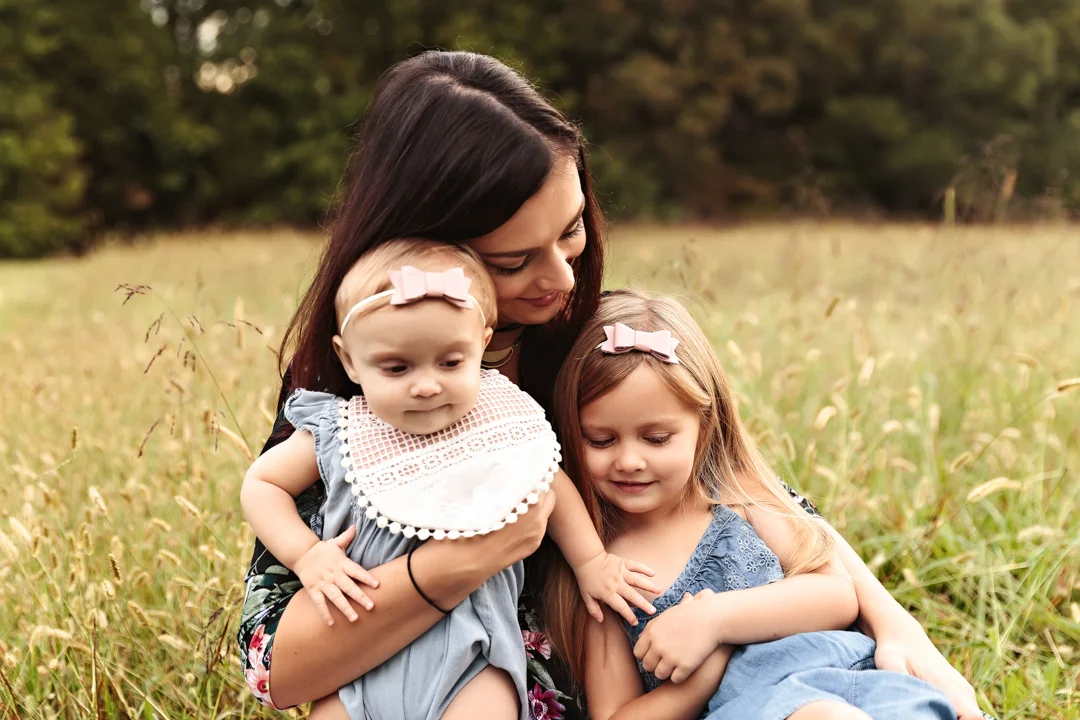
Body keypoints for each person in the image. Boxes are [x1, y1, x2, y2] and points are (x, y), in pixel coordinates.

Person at [237, 50, 987, 720]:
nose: (562, 277)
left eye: (570, 230)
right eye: (512, 260)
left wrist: (893, 621)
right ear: (424, 252)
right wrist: (469, 556)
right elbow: (281, 667)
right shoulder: (354, 393)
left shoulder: (583, 341)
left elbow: (740, 486)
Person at [240, 240, 657, 719]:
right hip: (361, 662)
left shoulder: (500, 418)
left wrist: (591, 562)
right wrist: (306, 553)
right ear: (350, 359)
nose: (426, 385)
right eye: (396, 367)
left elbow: (551, 483)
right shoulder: (342, 430)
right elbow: (263, 484)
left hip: (475, 654)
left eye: (450, 362)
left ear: (481, 341)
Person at [546, 289, 957, 720]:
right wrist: (702, 680)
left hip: (847, 680)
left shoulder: (738, 499)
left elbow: (836, 594)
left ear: (703, 429)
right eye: (602, 440)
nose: (630, 461)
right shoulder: (609, 575)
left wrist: (714, 621)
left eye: (657, 439)